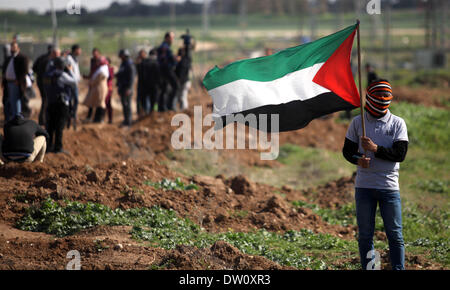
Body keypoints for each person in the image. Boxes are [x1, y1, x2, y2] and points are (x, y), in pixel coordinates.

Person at [342, 79, 409, 270]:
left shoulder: (397, 124)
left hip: (389, 188)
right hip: (364, 187)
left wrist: (375, 148)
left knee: (395, 234)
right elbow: (347, 151)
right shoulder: (358, 122)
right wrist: (358, 159)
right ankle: (371, 268)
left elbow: (400, 154)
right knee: (365, 235)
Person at [44, 57, 77, 154]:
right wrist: (70, 71)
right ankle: (58, 147)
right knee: (60, 126)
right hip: (61, 104)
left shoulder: (47, 75)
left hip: (50, 103)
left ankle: (48, 146)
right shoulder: (61, 75)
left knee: (50, 126)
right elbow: (74, 81)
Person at [1, 41, 29, 123]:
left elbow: (25, 71)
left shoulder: (22, 57)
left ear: (18, 48)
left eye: (14, 47)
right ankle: (10, 120)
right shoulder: (9, 58)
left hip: (15, 83)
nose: (12, 49)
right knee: (8, 102)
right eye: (11, 47)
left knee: (15, 102)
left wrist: (19, 81)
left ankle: (17, 120)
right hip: (8, 83)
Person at [157, 32, 179, 111]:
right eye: (171, 38)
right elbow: (163, 60)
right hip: (166, 70)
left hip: (165, 70)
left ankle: (163, 107)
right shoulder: (164, 47)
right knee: (176, 86)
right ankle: (170, 106)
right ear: (167, 38)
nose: (172, 40)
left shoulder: (165, 47)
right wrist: (174, 60)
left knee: (165, 88)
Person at [83, 56, 109, 123]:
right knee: (97, 103)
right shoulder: (101, 68)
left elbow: (98, 79)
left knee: (101, 103)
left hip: (101, 88)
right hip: (97, 88)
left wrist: (91, 82)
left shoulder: (103, 70)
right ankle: (96, 118)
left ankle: (100, 118)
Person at [32, 44, 53, 125]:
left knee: (44, 99)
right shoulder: (50, 59)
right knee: (46, 100)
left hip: (39, 81)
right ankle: (43, 120)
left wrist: (39, 74)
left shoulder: (41, 57)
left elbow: (34, 68)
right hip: (46, 82)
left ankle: (43, 119)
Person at [116, 49, 135, 127]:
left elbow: (131, 78)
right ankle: (125, 120)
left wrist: (129, 88)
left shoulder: (129, 64)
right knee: (124, 105)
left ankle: (129, 122)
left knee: (127, 105)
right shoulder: (123, 64)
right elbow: (120, 74)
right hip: (122, 87)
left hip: (127, 88)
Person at [83, 48, 102, 122]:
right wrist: (88, 77)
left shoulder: (101, 62)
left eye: (96, 54)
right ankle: (89, 117)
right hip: (92, 83)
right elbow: (92, 72)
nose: (94, 55)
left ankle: (97, 118)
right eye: (93, 53)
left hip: (98, 84)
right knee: (91, 101)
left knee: (98, 101)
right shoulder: (92, 61)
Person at [66, 44, 82, 129]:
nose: (80, 51)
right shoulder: (69, 59)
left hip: (74, 83)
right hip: (70, 83)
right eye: (79, 49)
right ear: (75, 50)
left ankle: (73, 116)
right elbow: (69, 71)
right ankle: (70, 117)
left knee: (75, 101)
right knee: (72, 101)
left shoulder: (75, 58)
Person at [145, 48, 161, 113]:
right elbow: (159, 75)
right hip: (156, 85)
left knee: (149, 98)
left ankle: (150, 111)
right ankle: (155, 111)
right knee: (156, 99)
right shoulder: (157, 63)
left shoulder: (145, 63)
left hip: (147, 84)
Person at [135, 49, 148, 117]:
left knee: (146, 100)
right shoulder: (139, 63)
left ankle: (146, 113)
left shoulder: (147, 62)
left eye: (142, 54)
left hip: (147, 84)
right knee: (140, 100)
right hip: (140, 84)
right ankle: (140, 113)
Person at [105, 57, 114, 124]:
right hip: (103, 87)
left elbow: (111, 77)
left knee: (107, 102)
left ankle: (110, 119)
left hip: (108, 87)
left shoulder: (110, 69)